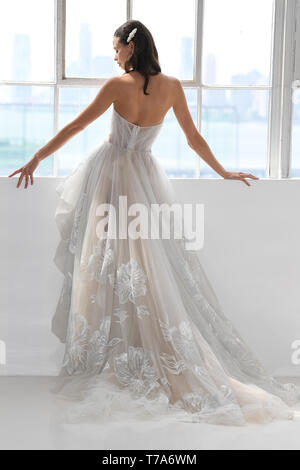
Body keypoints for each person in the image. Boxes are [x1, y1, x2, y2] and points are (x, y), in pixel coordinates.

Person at [8, 20, 300, 426]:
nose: (113, 56)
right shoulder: (173, 86)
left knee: (107, 266)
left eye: (116, 49)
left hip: (110, 177)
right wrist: (224, 172)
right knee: (145, 268)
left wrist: (37, 157)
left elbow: (77, 127)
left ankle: (123, 353)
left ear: (131, 47)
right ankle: (140, 349)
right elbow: (194, 139)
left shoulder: (116, 86)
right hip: (145, 180)